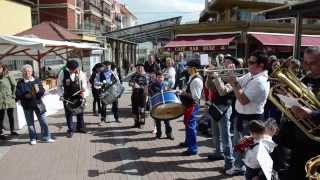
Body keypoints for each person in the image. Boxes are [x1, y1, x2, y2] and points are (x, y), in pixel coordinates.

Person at [276, 46, 320, 180]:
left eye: (311, 63)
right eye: (305, 62)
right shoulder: (304, 80)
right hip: (298, 141)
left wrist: (312, 114)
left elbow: (311, 110)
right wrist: (287, 101)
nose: (307, 67)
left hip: (316, 145)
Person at [226, 51, 270, 175]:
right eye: (248, 62)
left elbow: (243, 99)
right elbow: (237, 83)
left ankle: (248, 170)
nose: (248, 64)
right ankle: (239, 166)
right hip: (241, 117)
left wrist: (234, 82)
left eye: (251, 62)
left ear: (261, 65)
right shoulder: (251, 75)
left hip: (251, 119)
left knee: (249, 148)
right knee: (239, 145)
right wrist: (231, 75)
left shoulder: (260, 81)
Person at [205, 56, 240, 171]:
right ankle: (218, 152)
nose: (224, 63)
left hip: (225, 108)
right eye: (225, 62)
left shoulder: (236, 77)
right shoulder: (222, 74)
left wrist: (216, 76)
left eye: (228, 62)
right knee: (215, 134)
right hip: (215, 106)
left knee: (225, 137)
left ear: (234, 65)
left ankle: (229, 162)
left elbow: (222, 91)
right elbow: (208, 87)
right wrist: (209, 76)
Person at [16, 64, 55, 145]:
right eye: (25, 71)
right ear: (22, 73)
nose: (27, 73)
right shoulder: (20, 82)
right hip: (27, 105)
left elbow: (42, 91)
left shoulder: (36, 80)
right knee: (30, 123)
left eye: (29, 71)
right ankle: (33, 138)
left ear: (32, 72)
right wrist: (24, 95)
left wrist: (39, 91)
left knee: (43, 121)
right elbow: (18, 94)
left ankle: (46, 137)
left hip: (38, 104)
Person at [57, 60, 88, 138]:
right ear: (68, 68)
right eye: (71, 70)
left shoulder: (80, 73)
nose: (73, 71)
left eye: (74, 69)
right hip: (67, 96)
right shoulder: (63, 73)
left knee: (80, 112)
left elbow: (84, 82)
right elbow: (59, 85)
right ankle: (70, 130)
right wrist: (61, 95)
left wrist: (84, 88)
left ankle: (80, 127)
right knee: (69, 113)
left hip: (78, 95)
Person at [178, 59, 203, 156]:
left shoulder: (196, 80)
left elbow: (196, 98)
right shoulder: (192, 77)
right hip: (189, 105)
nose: (186, 69)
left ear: (194, 69)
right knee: (187, 124)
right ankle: (188, 142)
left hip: (192, 106)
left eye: (188, 67)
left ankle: (192, 149)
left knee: (191, 126)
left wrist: (182, 93)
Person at [149, 72, 174, 140]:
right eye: (159, 77)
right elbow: (151, 94)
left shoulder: (166, 84)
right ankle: (158, 135)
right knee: (158, 121)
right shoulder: (152, 85)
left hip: (165, 105)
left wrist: (169, 90)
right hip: (157, 105)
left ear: (163, 78)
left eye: (161, 77)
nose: (160, 78)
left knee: (167, 120)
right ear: (156, 78)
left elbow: (169, 91)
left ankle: (169, 134)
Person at [0, 64, 18, 140]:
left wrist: (13, 95)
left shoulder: (8, 75)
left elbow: (14, 85)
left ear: (2, 68)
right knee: (1, 116)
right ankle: (1, 132)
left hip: (9, 98)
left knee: (11, 115)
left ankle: (12, 130)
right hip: (0, 99)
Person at [129, 63, 148, 128]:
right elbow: (130, 83)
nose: (139, 69)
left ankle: (142, 123)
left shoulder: (146, 75)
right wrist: (133, 84)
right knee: (134, 109)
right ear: (136, 69)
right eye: (138, 68)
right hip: (135, 93)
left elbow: (147, 85)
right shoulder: (133, 75)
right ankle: (136, 122)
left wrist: (140, 87)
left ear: (143, 68)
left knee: (142, 109)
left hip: (142, 94)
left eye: (141, 68)